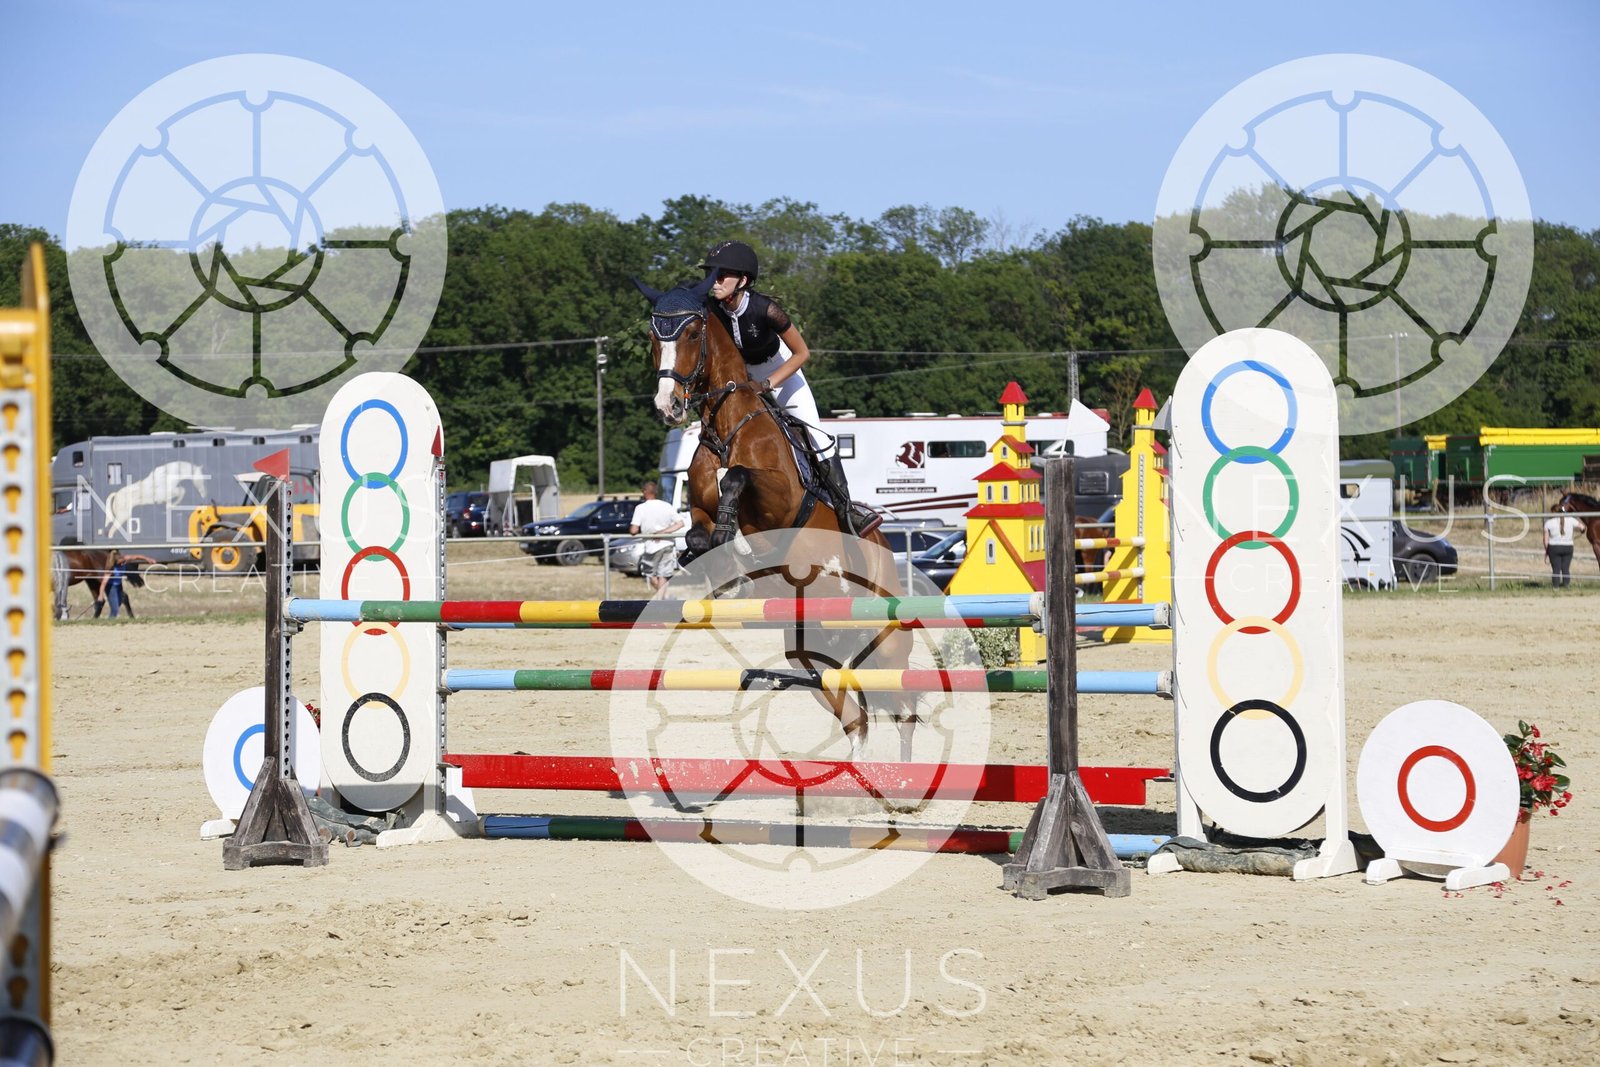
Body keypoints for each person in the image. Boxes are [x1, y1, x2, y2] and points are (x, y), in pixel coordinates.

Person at [699, 240, 879, 535]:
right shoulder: (712, 308)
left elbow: (802, 353)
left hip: (780, 369)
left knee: (817, 436)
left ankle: (846, 510)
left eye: (721, 275)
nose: (713, 281)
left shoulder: (765, 309)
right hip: (742, 377)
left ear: (742, 280)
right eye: (710, 275)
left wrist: (766, 384)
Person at [630, 481, 686, 595]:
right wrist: (663, 532)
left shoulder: (640, 508)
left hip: (651, 547)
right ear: (655, 492)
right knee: (664, 575)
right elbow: (680, 523)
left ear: (645, 492)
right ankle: (663, 598)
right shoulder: (666, 505)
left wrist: (653, 533)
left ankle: (662, 599)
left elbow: (634, 530)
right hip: (667, 544)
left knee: (649, 574)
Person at [95, 548, 156, 619]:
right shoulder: (110, 568)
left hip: (119, 585)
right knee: (115, 610)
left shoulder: (124, 559)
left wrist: (148, 559)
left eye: (123, 561)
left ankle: (111, 619)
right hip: (111, 587)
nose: (123, 563)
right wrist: (101, 595)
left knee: (118, 603)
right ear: (115, 561)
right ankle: (110, 622)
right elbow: (103, 584)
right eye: (120, 562)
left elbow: (137, 557)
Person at [1544, 509, 1582, 588]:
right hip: (1568, 546)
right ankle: (1566, 585)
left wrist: (1547, 550)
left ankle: (1556, 586)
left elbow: (1545, 539)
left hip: (1554, 547)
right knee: (1566, 568)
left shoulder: (1549, 522)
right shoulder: (1571, 520)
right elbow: (1582, 527)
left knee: (1556, 568)